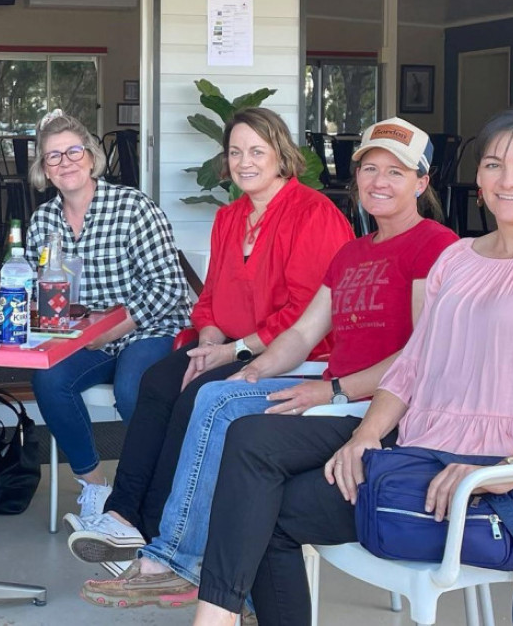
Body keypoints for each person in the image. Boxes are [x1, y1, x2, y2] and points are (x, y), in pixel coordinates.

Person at [78, 117, 459, 608]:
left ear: (422, 183)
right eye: (370, 169)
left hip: (378, 406)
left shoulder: (435, 245)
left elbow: (420, 356)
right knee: (218, 391)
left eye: (396, 173)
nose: (379, 182)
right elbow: (303, 332)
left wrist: (334, 389)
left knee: (218, 406)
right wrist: (252, 370)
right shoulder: (353, 254)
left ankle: (174, 560)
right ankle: (167, 553)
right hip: (332, 386)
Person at [191, 105, 513, 626]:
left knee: (261, 483)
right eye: (493, 164)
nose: (507, 180)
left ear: (422, 182)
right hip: (419, 454)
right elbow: (416, 363)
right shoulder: (458, 258)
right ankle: (213, 616)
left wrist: (504, 468)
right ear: (478, 178)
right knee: (268, 510)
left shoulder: (431, 246)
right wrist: (365, 435)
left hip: (499, 485)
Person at [63, 107, 354, 536]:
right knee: (157, 382)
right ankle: (121, 514)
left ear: (281, 154)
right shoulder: (230, 217)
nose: (245, 162)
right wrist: (209, 342)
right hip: (227, 344)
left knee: (194, 395)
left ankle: (158, 524)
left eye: (257, 150)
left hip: (290, 355)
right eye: (235, 152)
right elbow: (211, 297)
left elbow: (304, 313)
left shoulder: (312, 213)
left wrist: (231, 351)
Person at [24, 110, 193, 520]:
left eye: (73, 151)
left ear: (92, 156)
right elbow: (32, 288)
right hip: (84, 336)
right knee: (48, 378)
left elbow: (169, 287)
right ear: (43, 171)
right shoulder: (43, 220)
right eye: (53, 157)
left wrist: (113, 326)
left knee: (133, 389)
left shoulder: (133, 206)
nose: (65, 162)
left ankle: (156, 487)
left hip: (148, 327)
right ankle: (95, 484)